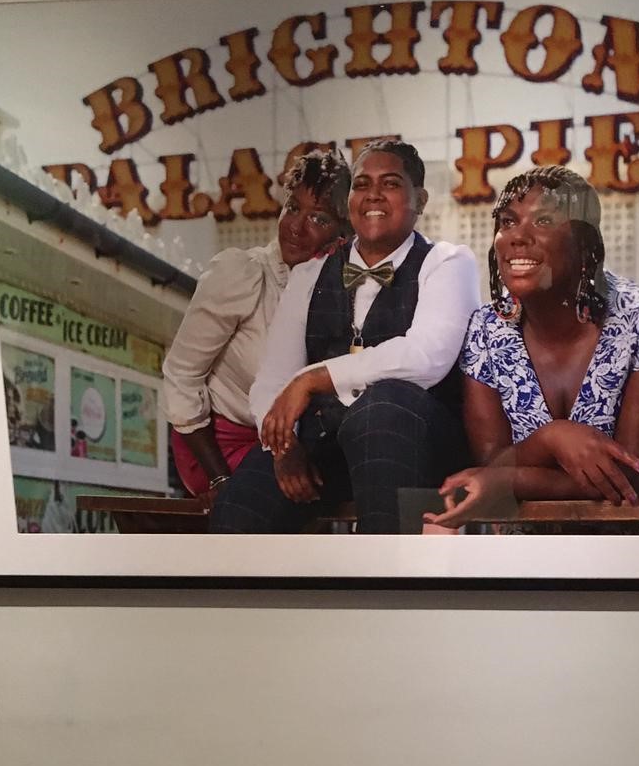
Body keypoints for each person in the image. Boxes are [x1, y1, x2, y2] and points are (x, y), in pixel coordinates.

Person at [426, 165, 639, 528]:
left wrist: (511, 478)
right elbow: (491, 463)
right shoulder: (487, 331)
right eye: (508, 221)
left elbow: (629, 480)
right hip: (547, 544)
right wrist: (551, 438)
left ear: (584, 242)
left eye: (543, 221)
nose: (518, 236)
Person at [211, 139, 480, 534]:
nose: (373, 194)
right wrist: (284, 447)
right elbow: (274, 379)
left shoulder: (448, 261)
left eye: (390, 183)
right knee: (238, 515)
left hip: (416, 444)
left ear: (419, 200)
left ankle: (386, 588)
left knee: (386, 402)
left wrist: (312, 378)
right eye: (361, 184)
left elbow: (427, 357)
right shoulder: (309, 275)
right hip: (325, 445)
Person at [162, 150, 351, 507]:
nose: (296, 226)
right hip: (218, 445)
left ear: (344, 231)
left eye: (318, 218)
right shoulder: (241, 274)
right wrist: (220, 479)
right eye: (292, 208)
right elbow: (180, 375)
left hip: (296, 443)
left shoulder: (346, 291)